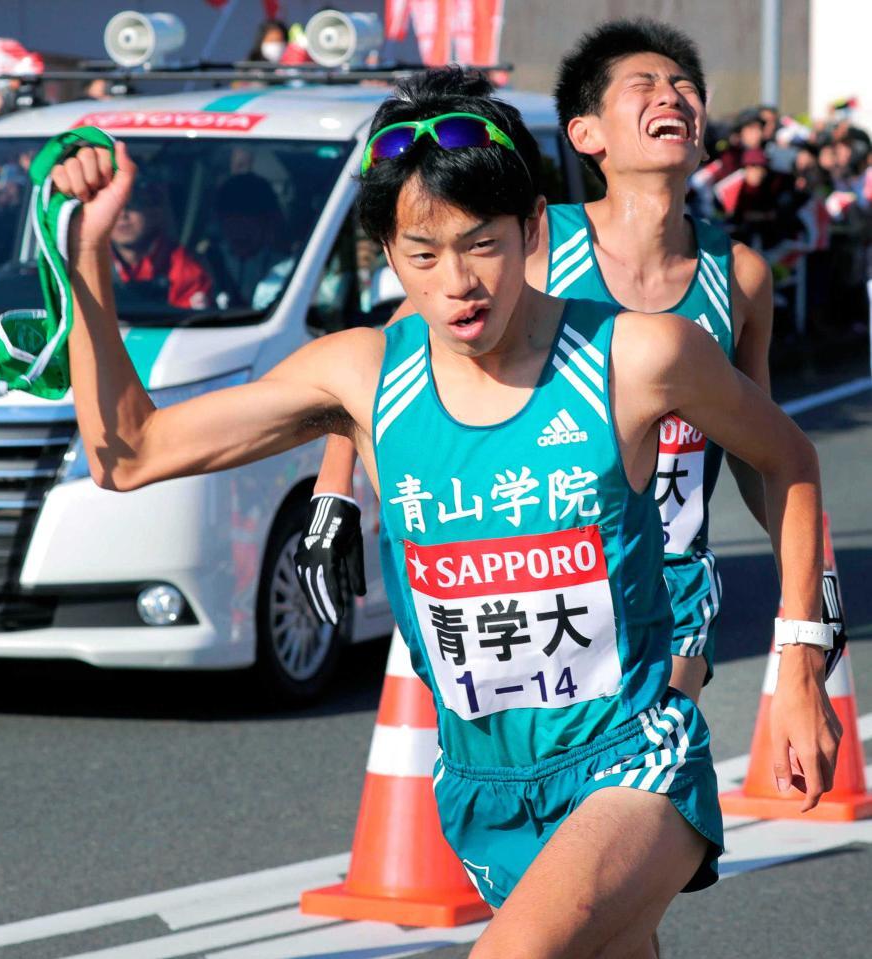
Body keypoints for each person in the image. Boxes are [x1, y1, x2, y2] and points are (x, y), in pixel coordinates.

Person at [54, 67, 839, 957]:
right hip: (483, 782)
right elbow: (131, 452)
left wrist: (802, 667)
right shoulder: (359, 372)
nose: (459, 283)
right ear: (387, 257)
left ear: (533, 230)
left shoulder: (640, 355)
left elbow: (789, 457)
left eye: (484, 246)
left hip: (631, 756)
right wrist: (87, 251)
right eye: (423, 256)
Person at [299, 19, 771, 706]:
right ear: (586, 135)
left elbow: (764, 455)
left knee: (646, 776)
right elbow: (393, 352)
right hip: (539, 566)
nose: (671, 96)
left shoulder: (739, 277)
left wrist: (808, 599)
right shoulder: (536, 239)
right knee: (545, 792)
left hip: (670, 582)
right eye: (643, 85)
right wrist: (334, 489)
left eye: (684, 87)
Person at [109, 176, 211, 311]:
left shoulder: (185, 268)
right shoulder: (89, 262)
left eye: (133, 205)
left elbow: (189, 326)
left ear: (156, 212)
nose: (122, 215)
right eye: (114, 207)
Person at [199, 172, 293, 310]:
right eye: (232, 223)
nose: (239, 233)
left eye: (248, 224)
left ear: (266, 223)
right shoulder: (204, 264)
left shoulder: (286, 269)